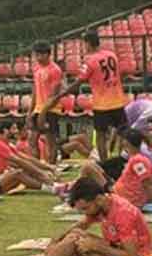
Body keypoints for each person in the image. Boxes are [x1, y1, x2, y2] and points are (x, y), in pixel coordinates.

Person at [1, 178, 152, 256]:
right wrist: (56, 240)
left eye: (86, 208)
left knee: (77, 241)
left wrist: (96, 246)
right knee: (76, 235)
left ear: (99, 199)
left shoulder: (123, 214)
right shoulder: (103, 205)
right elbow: (80, 225)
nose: (85, 213)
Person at [47, 30, 127, 161]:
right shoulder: (112, 55)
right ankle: (125, 159)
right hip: (118, 100)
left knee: (101, 135)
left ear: (88, 44)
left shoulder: (90, 60)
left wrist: (60, 95)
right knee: (123, 133)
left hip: (102, 104)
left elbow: (78, 82)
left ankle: (104, 164)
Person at [80, 127, 152, 211]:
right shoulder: (142, 159)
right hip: (119, 191)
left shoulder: (137, 161)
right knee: (92, 167)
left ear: (126, 142)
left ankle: (79, 198)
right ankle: (79, 196)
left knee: (87, 167)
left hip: (121, 197)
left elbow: (148, 185)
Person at [27, 40, 63, 164]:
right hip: (38, 108)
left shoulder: (55, 70)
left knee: (50, 142)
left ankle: (51, 169)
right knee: (32, 140)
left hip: (51, 110)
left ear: (48, 54)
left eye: (41, 55)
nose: (38, 57)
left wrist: (43, 112)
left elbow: (55, 96)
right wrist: (30, 111)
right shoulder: (36, 68)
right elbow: (35, 91)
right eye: (36, 55)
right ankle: (37, 168)